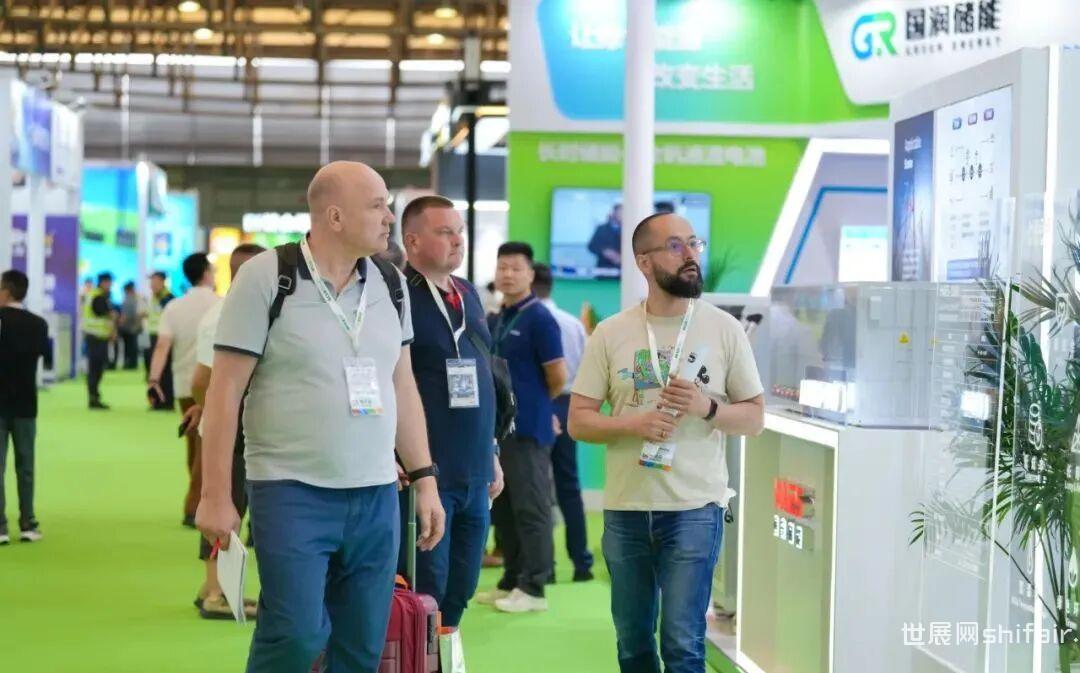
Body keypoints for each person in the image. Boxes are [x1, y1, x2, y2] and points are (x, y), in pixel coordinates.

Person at [196, 161, 446, 672]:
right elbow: (224, 393)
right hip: (290, 490)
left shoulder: (391, 283)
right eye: (377, 206)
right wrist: (215, 496)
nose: (389, 217)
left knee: (362, 642)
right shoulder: (268, 277)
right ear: (335, 216)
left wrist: (424, 477)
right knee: (296, 634)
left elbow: (401, 383)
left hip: (377, 494)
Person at [568, 213, 765, 673]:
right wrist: (633, 424)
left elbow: (755, 418)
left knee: (682, 644)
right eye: (676, 246)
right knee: (633, 643)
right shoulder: (611, 332)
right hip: (627, 509)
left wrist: (707, 407)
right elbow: (579, 421)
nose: (691, 254)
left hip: (694, 509)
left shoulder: (724, 329)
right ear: (644, 261)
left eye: (694, 243)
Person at [398, 195, 503, 631]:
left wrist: (492, 451)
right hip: (428, 472)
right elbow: (392, 380)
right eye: (444, 232)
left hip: (475, 471)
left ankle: (442, 654)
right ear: (412, 241)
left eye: (459, 231)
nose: (458, 240)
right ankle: (418, 658)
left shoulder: (467, 294)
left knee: (462, 586)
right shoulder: (397, 295)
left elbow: (484, 375)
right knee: (426, 588)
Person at [479, 242, 567, 614]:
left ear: (531, 274)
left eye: (516, 268)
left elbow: (557, 377)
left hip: (529, 429)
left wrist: (536, 406)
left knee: (532, 509)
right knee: (504, 509)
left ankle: (534, 586)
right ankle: (511, 579)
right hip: (499, 432)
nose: (508, 274)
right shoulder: (497, 318)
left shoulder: (540, 319)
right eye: (502, 267)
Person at [180, 243, 265, 619]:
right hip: (230, 430)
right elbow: (202, 379)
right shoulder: (227, 315)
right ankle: (216, 590)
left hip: (238, 424)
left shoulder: (239, 309)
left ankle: (213, 587)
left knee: (235, 503)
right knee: (224, 505)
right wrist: (215, 409)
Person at [531, 262, 594, 582]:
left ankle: (546, 567)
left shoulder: (529, 320)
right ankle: (582, 564)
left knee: (537, 488)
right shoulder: (572, 324)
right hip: (568, 402)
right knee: (569, 484)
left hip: (538, 404)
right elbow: (585, 368)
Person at [149, 254, 221, 529]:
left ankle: (197, 501)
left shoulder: (174, 307)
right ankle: (195, 504)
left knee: (194, 444)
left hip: (183, 385)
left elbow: (162, 346)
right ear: (206, 273)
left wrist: (153, 379)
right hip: (212, 382)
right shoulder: (221, 305)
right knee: (208, 446)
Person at [0, 270, 51, 544]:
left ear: (6, 292)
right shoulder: (39, 324)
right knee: (26, 466)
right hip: (26, 404)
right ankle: (28, 522)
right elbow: (44, 355)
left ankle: (0, 527)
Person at [83, 272, 114, 410]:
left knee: (96, 368)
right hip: (96, 337)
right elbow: (104, 313)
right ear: (102, 282)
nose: (110, 285)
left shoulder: (97, 295)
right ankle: (93, 398)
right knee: (95, 369)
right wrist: (112, 315)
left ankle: (94, 396)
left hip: (98, 337)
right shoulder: (98, 297)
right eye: (108, 282)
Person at [145, 271, 175, 410]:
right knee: (154, 369)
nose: (152, 285)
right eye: (151, 282)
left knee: (164, 370)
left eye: (155, 281)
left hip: (164, 337)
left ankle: (166, 401)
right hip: (152, 336)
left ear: (162, 282)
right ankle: (156, 400)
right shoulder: (154, 298)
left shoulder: (168, 298)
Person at [587, 203, 623, 272]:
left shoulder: (629, 230)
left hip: (624, 271)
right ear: (614, 213)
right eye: (619, 213)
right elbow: (591, 246)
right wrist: (604, 251)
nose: (621, 215)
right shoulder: (601, 229)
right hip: (604, 269)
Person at [118, 281, 143, 370]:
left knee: (130, 347)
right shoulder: (137, 298)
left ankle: (130, 363)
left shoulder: (129, 299)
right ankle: (132, 363)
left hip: (129, 327)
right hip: (134, 327)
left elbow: (126, 315)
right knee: (132, 346)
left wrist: (120, 323)